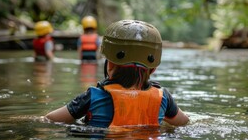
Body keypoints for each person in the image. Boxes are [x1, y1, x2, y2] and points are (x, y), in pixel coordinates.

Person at [45, 19, 189, 127]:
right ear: (154, 68)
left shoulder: (92, 96)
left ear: (110, 63)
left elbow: (50, 119)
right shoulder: (163, 98)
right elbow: (184, 122)